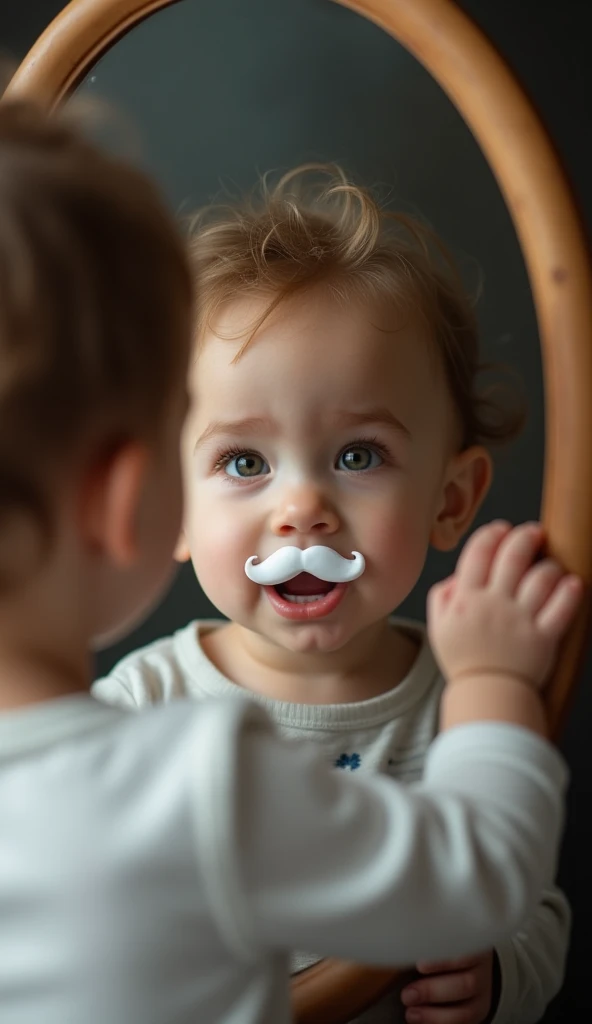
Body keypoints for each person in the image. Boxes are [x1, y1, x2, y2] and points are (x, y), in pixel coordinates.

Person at [0, 104, 580, 1024]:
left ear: (453, 500)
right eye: (242, 463)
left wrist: (501, 974)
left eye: (358, 455)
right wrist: (502, 683)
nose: (301, 508)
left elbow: (536, 908)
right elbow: (480, 866)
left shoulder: (452, 711)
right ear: (167, 509)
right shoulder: (145, 713)